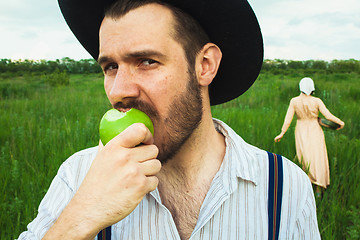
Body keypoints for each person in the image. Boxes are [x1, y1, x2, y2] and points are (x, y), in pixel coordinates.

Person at [18, 0, 321, 239]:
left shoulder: (284, 185)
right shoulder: (79, 176)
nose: (118, 91)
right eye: (110, 66)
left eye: (146, 61)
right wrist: (79, 219)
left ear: (204, 66)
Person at [274, 77, 345, 196]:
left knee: (304, 157)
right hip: (314, 129)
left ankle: (305, 187)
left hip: (301, 130)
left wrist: (282, 133)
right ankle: (318, 188)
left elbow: (288, 119)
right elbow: (328, 116)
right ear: (312, 88)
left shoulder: (294, 101)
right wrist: (340, 122)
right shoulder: (317, 101)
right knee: (317, 156)